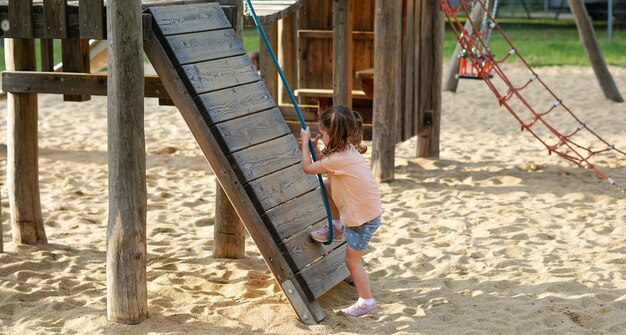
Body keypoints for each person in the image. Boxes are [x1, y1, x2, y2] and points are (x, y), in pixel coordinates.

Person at [300, 105, 382, 317]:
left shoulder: (338, 158)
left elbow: (309, 168)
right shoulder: (347, 150)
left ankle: (367, 301)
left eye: (323, 134)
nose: (322, 137)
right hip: (369, 210)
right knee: (327, 186)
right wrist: (316, 149)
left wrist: (306, 145)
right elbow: (324, 164)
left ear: (332, 134)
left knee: (352, 261)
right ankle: (336, 226)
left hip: (362, 219)